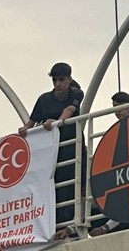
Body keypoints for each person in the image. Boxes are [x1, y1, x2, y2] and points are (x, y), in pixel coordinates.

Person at [19, 63, 84, 234]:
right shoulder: (44, 100)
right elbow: (31, 122)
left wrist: (56, 123)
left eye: (61, 80)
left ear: (69, 79)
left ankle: (70, 226)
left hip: (72, 147)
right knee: (53, 186)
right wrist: (24, 130)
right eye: (55, 80)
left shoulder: (76, 93)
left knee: (74, 186)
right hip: (51, 152)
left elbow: (70, 109)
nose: (57, 84)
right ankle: (53, 226)